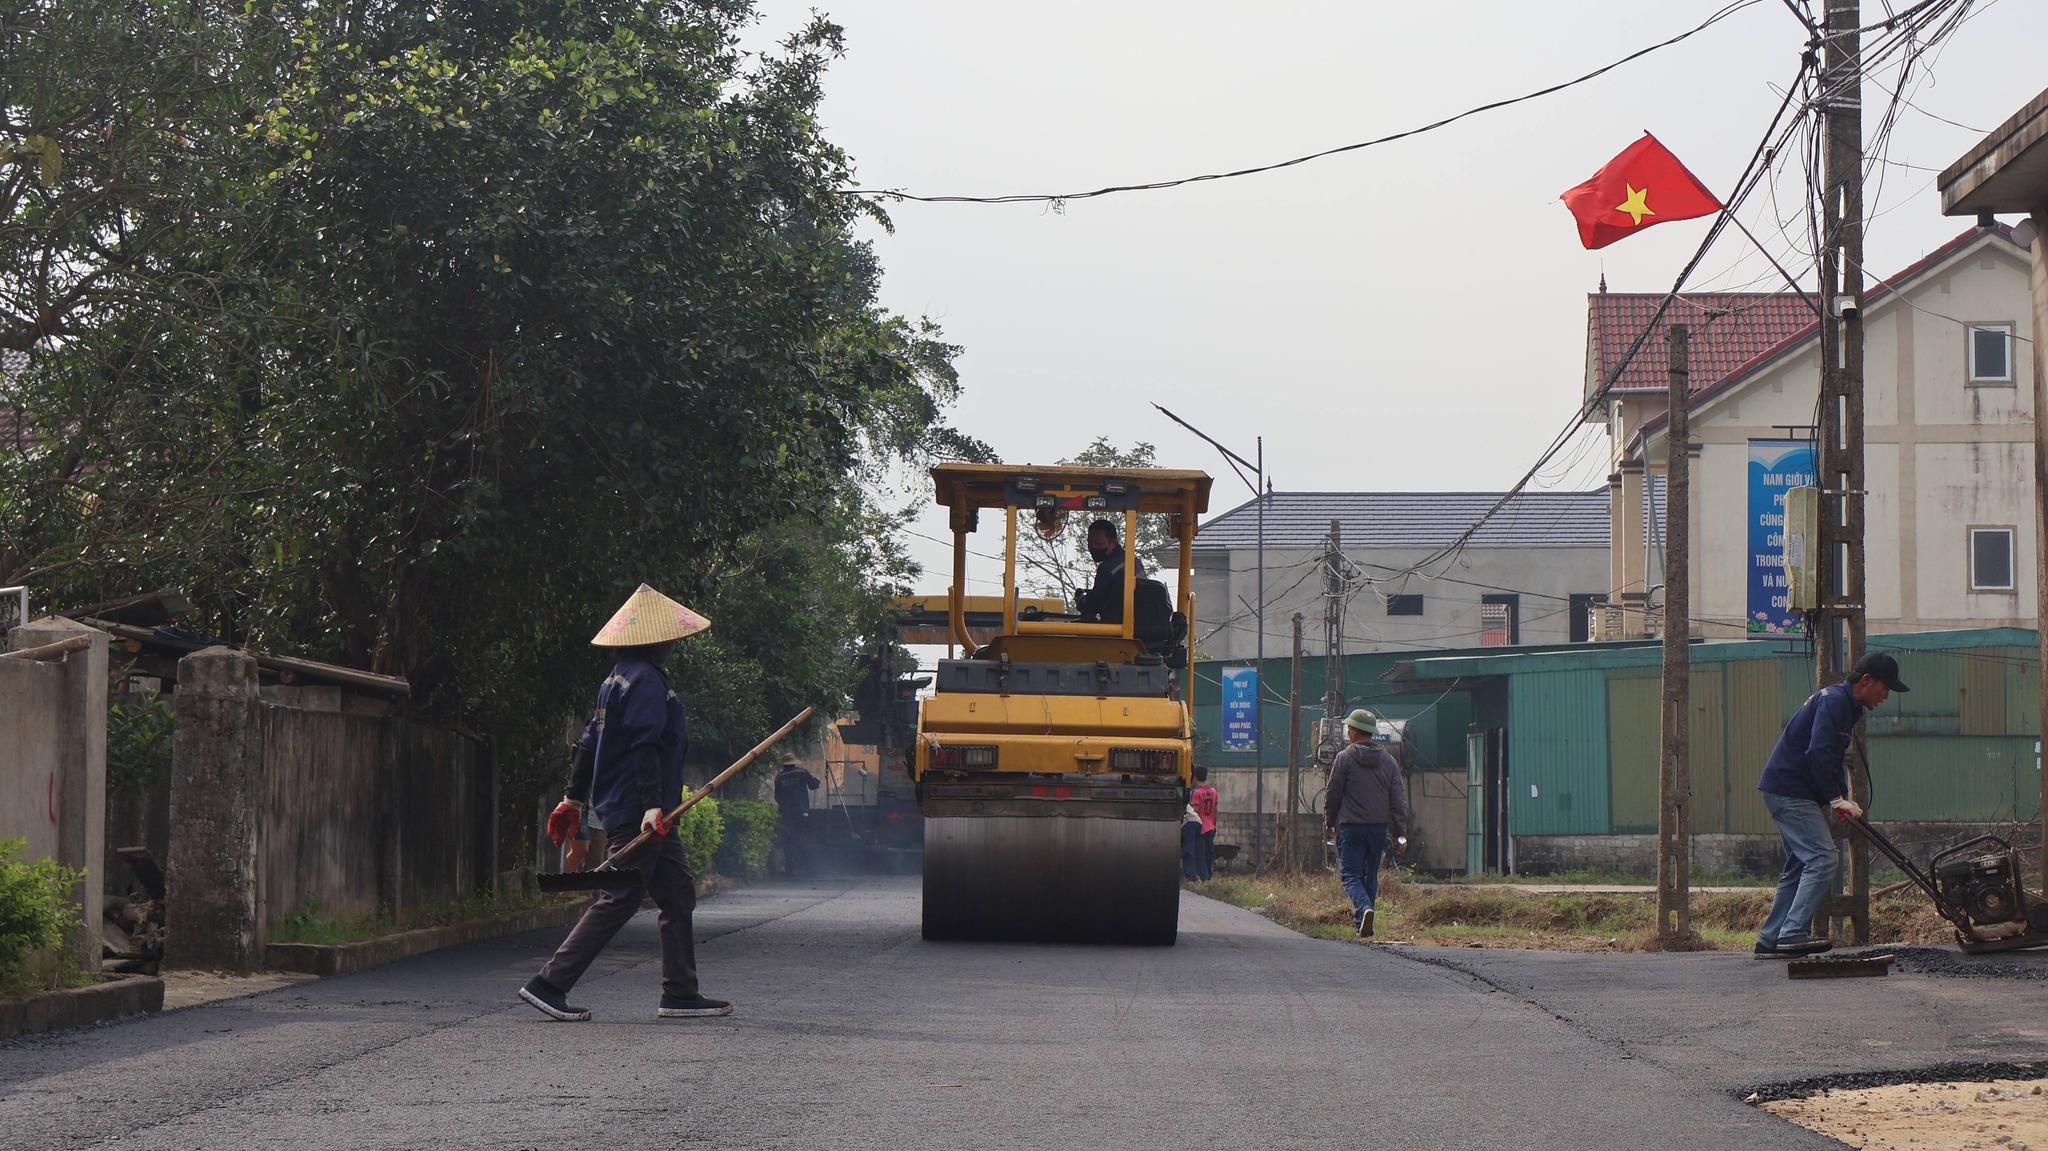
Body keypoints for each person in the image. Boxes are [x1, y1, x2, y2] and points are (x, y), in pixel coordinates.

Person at [520, 584, 732, 1022]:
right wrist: (651, 805)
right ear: (653, 641)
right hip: (640, 810)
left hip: (639, 808)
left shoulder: (614, 680)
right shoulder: (646, 681)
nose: (674, 645)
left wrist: (572, 798)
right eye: (670, 638)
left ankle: (680, 993)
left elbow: (588, 745)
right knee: (620, 895)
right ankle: (549, 983)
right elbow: (645, 744)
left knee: (677, 893)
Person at [1753, 651, 1909, 959]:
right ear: (1867, 680)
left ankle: (1770, 939)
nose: (1887, 696)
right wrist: (1836, 799)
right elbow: (1818, 753)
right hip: (1790, 790)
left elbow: (1833, 759)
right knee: (1823, 858)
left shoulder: (1848, 706)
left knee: (1800, 864)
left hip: (1785, 788)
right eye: (1886, 687)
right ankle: (1792, 933)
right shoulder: (1835, 702)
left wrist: (1841, 798)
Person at [1323, 708, 1408, 939]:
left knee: (1350, 876)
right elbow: (1398, 800)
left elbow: (1333, 793)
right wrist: (1400, 833)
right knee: (1370, 876)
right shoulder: (1389, 762)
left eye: (1349, 728)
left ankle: (1364, 908)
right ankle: (1363, 922)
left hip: (1351, 828)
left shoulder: (1344, 758)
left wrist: (1329, 820)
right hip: (1378, 829)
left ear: (1353, 731)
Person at [1074, 519, 1145, 622]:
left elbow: (1093, 602)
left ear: (1114, 544)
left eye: (1098, 543)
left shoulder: (1107, 569)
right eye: (1089, 543)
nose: (1092, 547)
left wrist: (1081, 600)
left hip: (1117, 624)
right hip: (1141, 622)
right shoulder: (1135, 561)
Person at [773, 761, 821, 875]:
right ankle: (803, 867)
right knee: (802, 838)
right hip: (801, 811)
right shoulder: (801, 772)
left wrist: (784, 806)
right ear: (793, 763)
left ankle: (791, 868)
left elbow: (777, 796)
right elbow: (813, 785)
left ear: (784, 765)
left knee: (789, 839)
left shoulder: (780, 777)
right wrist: (817, 781)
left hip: (787, 813)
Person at [1189, 766, 1220, 881]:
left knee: (1199, 854)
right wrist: (1214, 825)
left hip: (1200, 828)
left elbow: (1194, 811)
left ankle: (1203, 877)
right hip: (1211, 826)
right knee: (1209, 853)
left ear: (1195, 777)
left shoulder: (1195, 793)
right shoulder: (1214, 792)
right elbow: (1215, 810)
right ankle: (1209, 876)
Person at [1180, 801, 1205, 881]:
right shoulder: (1184, 802)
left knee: (1188, 850)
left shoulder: (1177, 802)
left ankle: (1190, 876)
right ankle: (1203, 876)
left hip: (1189, 823)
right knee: (1198, 851)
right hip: (1199, 823)